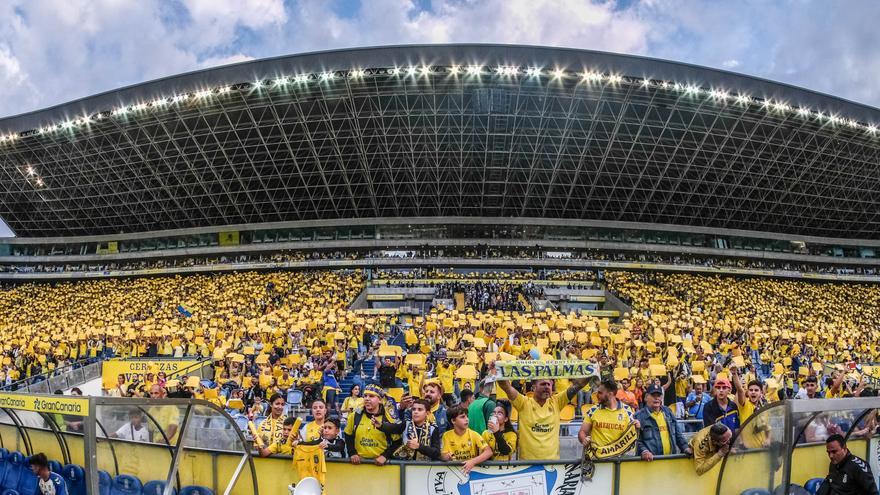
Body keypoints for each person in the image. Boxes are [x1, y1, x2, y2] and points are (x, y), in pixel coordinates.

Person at [495, 367, 590, 460]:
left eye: (549, 384)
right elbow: (506, 387)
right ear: (533, 387)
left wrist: (592, 369)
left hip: (552, 465)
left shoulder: (557, 402)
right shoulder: (523, 403)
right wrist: (499, 368)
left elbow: (578, 385)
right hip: (527, 465)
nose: (546, 387)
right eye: (543, 384)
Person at [579, 379, 638, 456]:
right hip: (596, 459)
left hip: (618, 460)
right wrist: (584, 439)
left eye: (600, 393)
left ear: (610, 394)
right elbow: (582, 431)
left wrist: (637, 426)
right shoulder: (593, 410)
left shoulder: (627, 410)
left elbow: (632, 435)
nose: (597, 395)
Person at [344, 384, 399, 466]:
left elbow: (397, 442)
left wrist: (385, 456)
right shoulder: (355, 415)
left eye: (371, 396)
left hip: (381, 466)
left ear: (380, 400)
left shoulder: (388, 418)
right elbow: (348, 435)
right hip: (359, 465)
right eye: (365, 396)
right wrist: (352, 453)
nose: (367, 399)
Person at [635, 384, 691, 460]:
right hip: (649, 464)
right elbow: (636, 440)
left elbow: (678, 434)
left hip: (670, 462)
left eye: (659, 395)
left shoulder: (668, 412)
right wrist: (644, 451)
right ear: (646, 397)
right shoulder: (638, 416)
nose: (656, 398)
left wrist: (685, 448)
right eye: (653, 395)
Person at [440, 406, 493, 474]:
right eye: (462, 417)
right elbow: (443, 456)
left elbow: (488, 452)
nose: (467, 419)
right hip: (454, 472)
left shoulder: (474, 434)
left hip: (472, 471)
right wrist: (446, 457)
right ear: (453, 421)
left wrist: (473, 461)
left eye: (467, 416)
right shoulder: (446, 435)